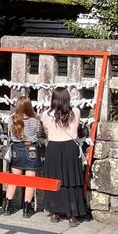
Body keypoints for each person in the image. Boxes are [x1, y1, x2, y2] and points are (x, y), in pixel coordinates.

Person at [40, 86, 89, 226]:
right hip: (70, 148)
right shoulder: (76, 112)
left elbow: (45, 128)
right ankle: (72, 214)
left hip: (54, 148)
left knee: (54, 179)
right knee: (70, 180)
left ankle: (55, 212)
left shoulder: (46, 114)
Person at [5, 95, 44, 217]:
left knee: (14, 179)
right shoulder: (34, 120)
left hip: (17, 148)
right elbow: (38, 135)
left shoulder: (12, 120)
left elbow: (10, 135)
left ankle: (7, 206)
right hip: (31, 149)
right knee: (29, 181)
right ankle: (27, 209)